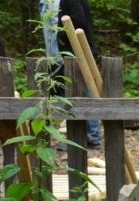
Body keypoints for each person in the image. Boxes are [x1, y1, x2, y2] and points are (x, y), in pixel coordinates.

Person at [57, 0, 101, 148]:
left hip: (77, 52)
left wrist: (63, 36)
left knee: (80, 94)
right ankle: (89, 136)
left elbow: (78, 20)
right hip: (77, 52)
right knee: (84, 93)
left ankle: (87, 136)